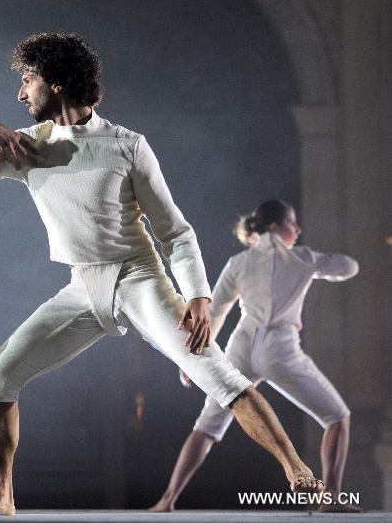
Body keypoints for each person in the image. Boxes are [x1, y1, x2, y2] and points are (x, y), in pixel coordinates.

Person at [0, 33, 323, 515]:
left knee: (218, 375)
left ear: (54, 84)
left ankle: (304, 480)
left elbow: (175, 232)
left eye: (27, 80)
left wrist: (198, 295)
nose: (20, 94)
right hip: (81, 287)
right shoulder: (28, 146)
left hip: (139, 280)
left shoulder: (127, 146)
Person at [150, 199, 359, 512]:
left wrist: (192, 358)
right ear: (275, 227)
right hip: (281, 350)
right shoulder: (303, 258)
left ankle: (167, 500)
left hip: (241, 348)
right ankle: (330, 499)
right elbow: (349, 267)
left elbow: (214, 310)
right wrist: (319, 266)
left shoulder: (239, 263)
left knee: (207, 425)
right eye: (292, 223)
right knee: (337, 417)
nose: (298, 229)